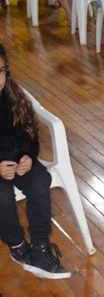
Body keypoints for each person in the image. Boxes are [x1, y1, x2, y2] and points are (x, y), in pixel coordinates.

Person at [0, 44, 71, 280]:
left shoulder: (12, 97)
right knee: (2, 196)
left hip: (17, 159)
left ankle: (40, 245)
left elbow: (29, 132)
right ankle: (18, 245)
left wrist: (28, 157)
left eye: (0, 71)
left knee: (41, 181)